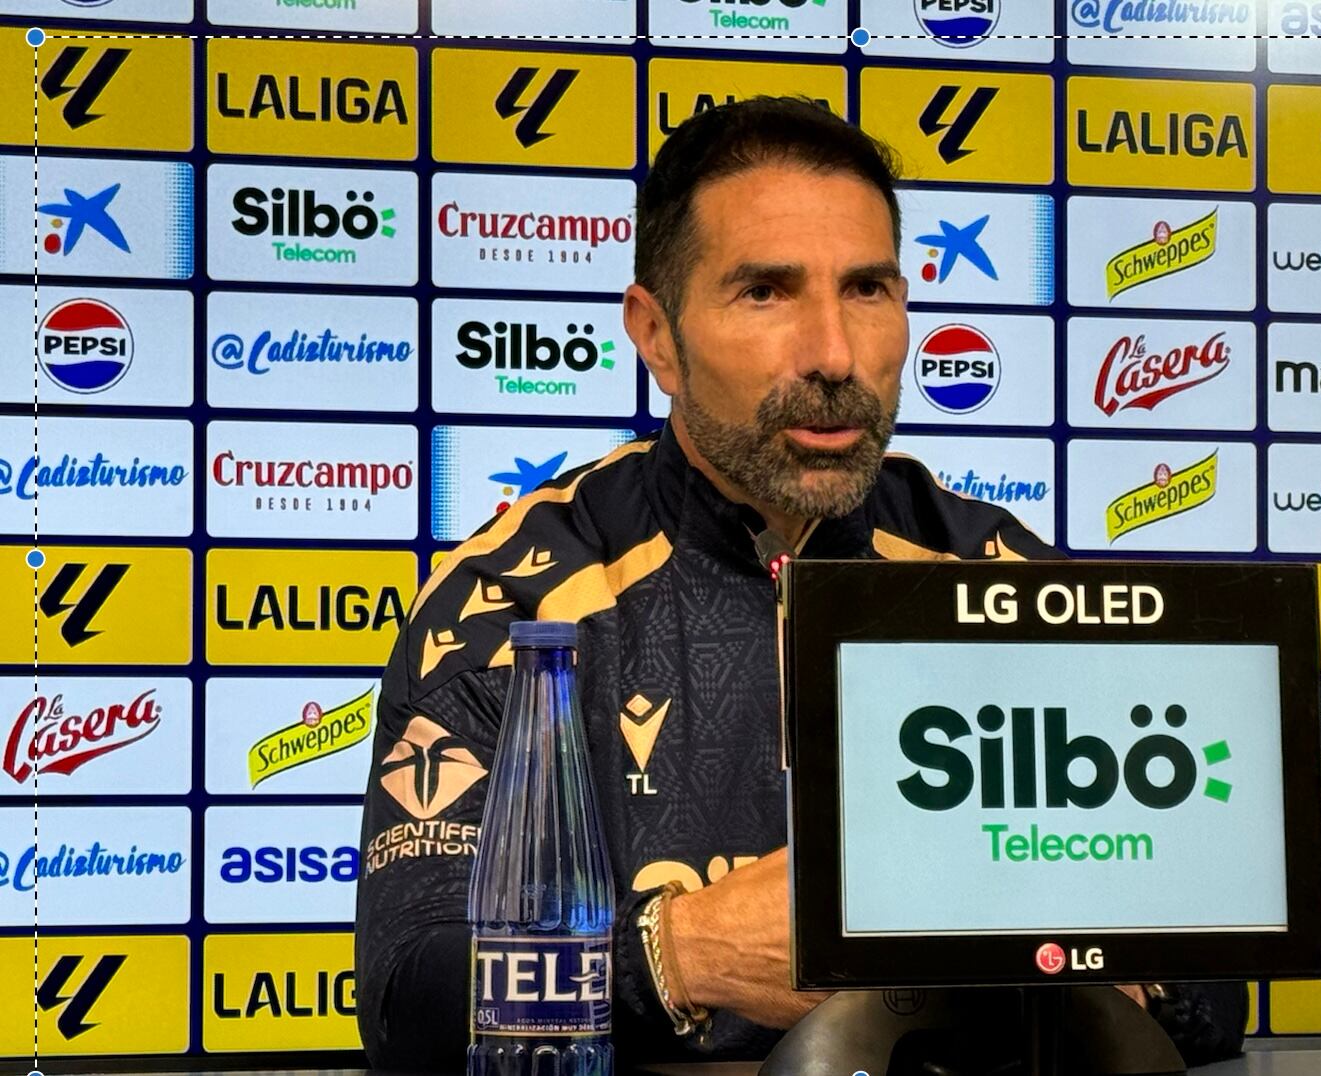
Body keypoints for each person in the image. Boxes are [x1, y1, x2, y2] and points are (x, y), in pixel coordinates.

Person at [355, 95, 1247, 1070]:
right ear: (655, 334)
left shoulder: (1006, 582)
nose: (831, 354)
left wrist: (1092, 957)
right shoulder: (519, 598)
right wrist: (676, 955)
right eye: (766, 292)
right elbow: (413, 988)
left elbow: (1210, 985)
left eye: (866, 289)